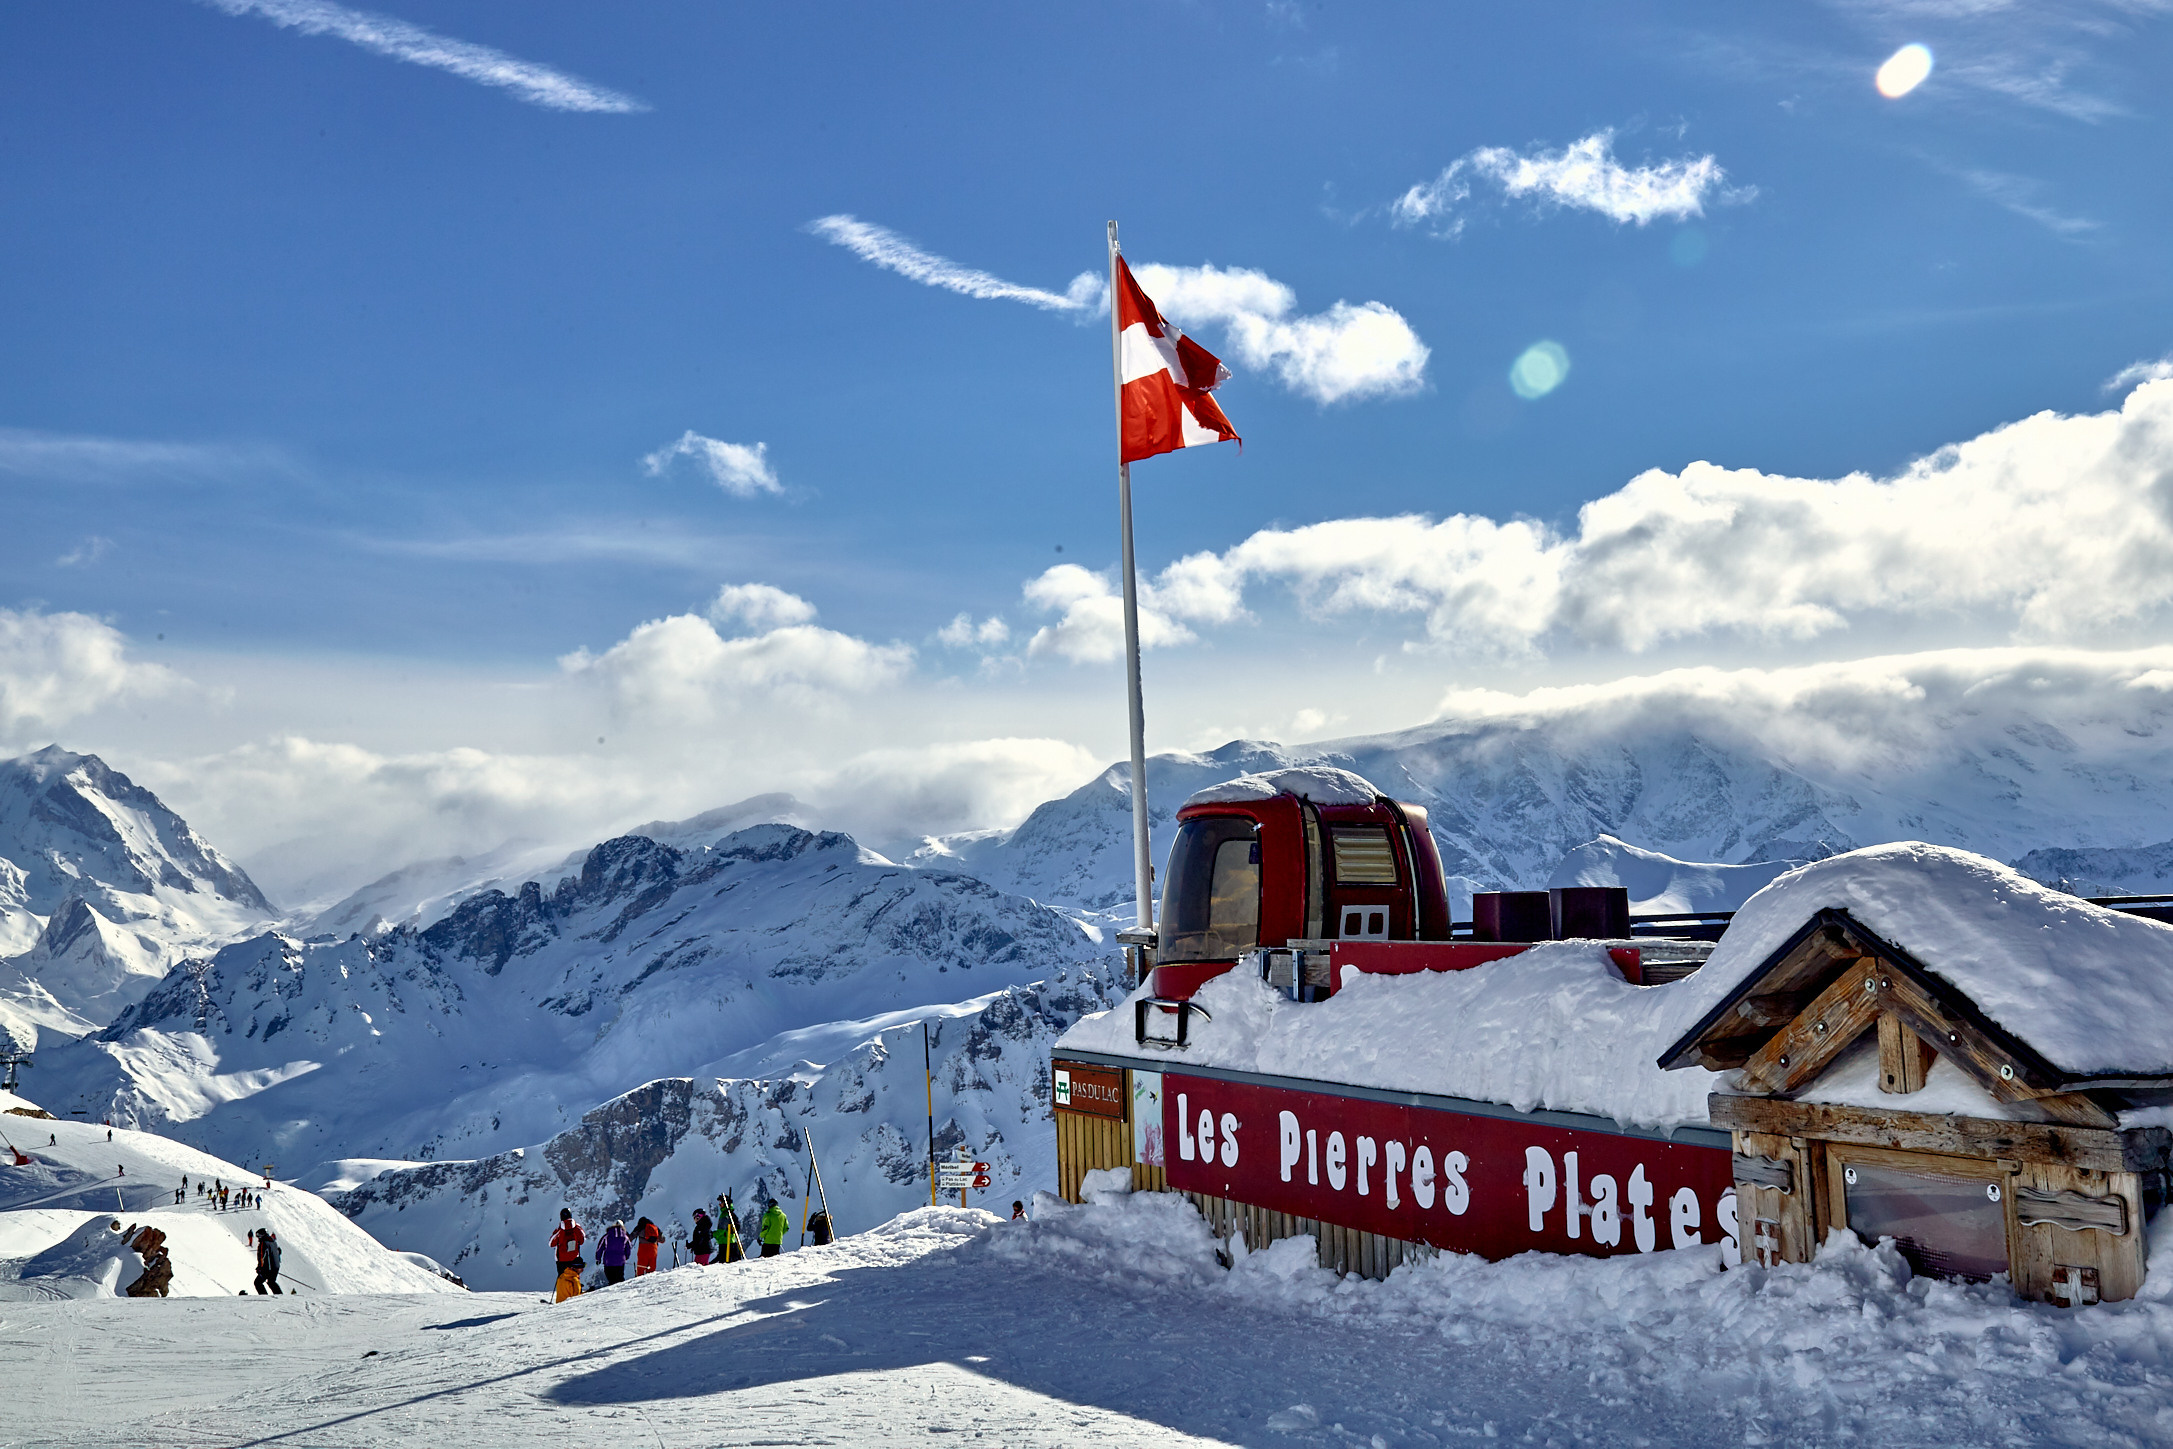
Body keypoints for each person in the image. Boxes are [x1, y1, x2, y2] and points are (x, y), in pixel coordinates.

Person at [550, 1208, 587, 1299]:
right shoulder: (577, 1227)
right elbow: (582, 1240)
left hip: (561, 1260)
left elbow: (551, 1243)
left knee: (562, 1280)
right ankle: (576, 1294)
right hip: (574, 1258)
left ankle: (562, 1297)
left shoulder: (560, 1229)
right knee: (574, 1277)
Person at [597, 1220, 632, 1284]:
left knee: (611, 1279)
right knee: (620, 1278)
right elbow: (628, 1248)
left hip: (608, 1261)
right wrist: (626, 1257)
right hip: (620, 1261)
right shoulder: (625, 1237)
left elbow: (600, 1247)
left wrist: (598, 1258)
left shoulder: (607, 1236)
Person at [254, 1229, 283, 1295]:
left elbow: (262, 1256)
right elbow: (278, 1252)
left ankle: (264, 1296)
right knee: (271, 1282)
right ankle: (280, 1295)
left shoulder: (263, 1243)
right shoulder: (274, 1242)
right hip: (275, 1267)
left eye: (258, 1235)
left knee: (257, 1282)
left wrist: (259, 1267)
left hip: (267, 1268)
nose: (258, 1237)